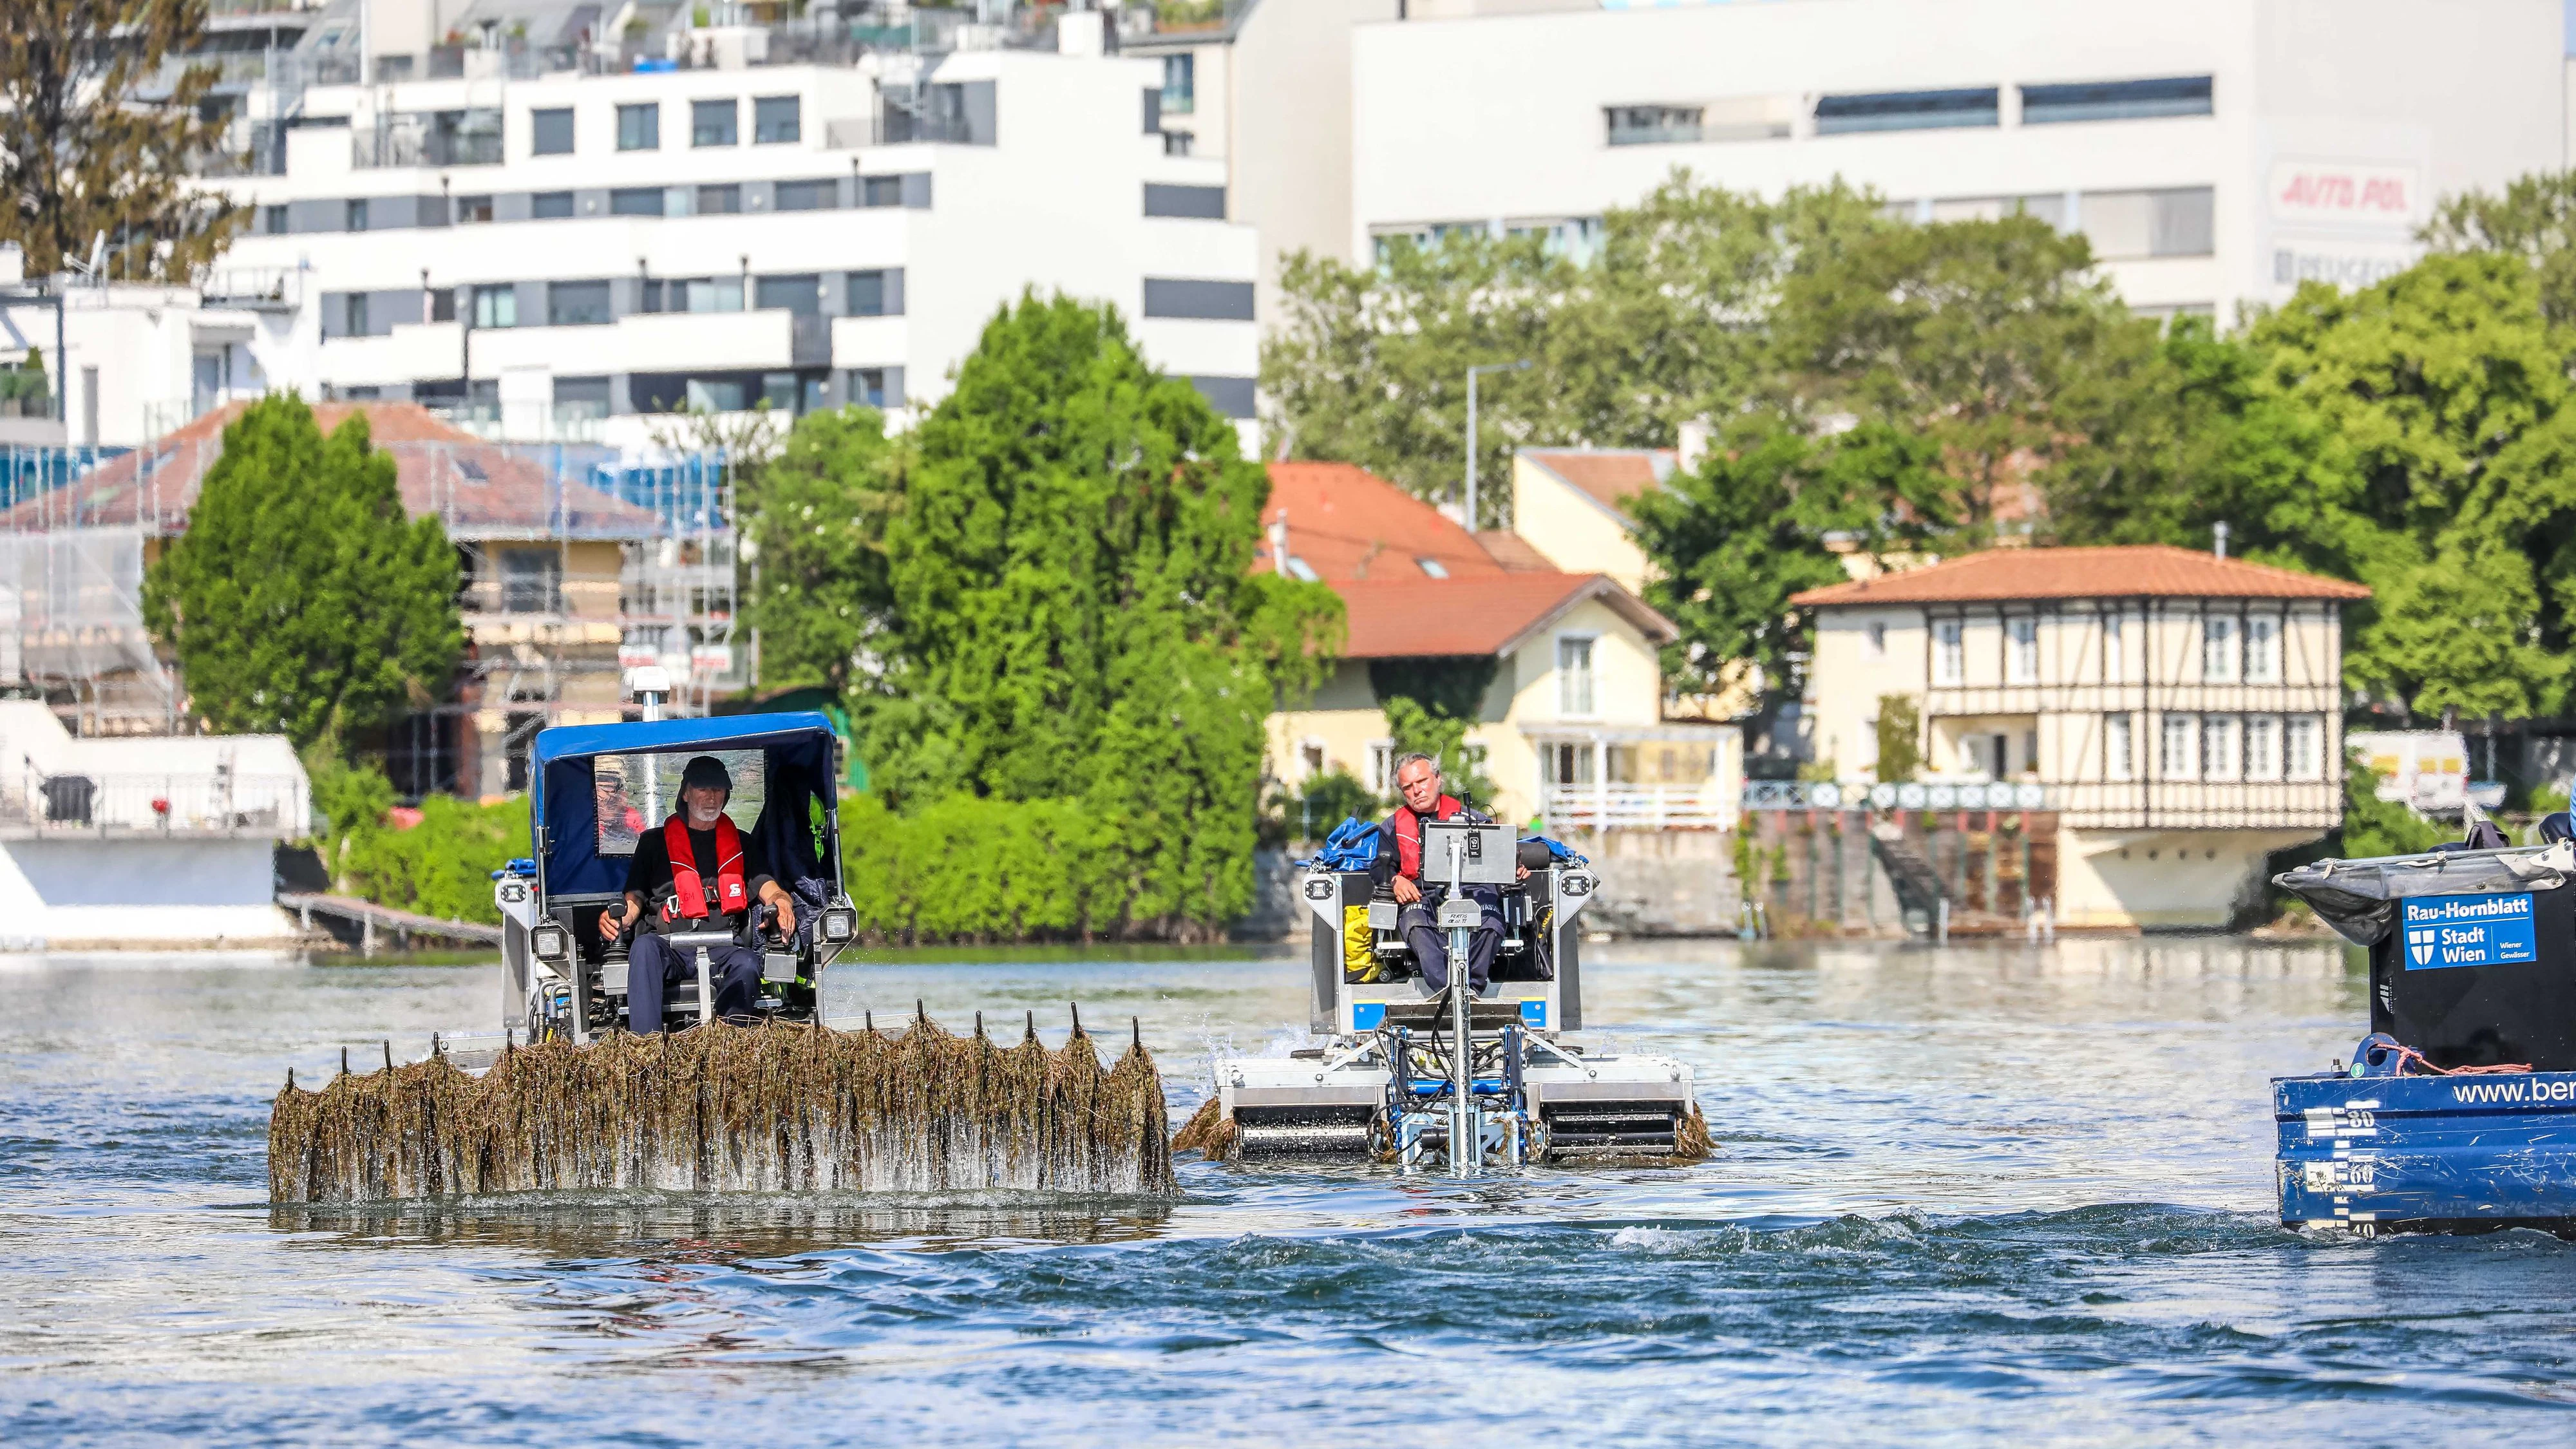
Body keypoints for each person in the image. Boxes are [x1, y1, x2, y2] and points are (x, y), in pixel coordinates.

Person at [597, 755, 799, 1032]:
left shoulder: (743, 843)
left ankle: (729, 1045)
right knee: (643, 948)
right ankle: (646, 1046)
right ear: (686, 793)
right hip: (668, 947)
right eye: (703, 789)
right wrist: (617, 919)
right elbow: (634, 899)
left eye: (718, 789)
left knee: (748, 963)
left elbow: (771, 889)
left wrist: (783, 902)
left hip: (724, 948)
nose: (711, 797)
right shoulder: (652, 843)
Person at [1372, 753, 1524, 996]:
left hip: (1473, 893)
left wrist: (1514, 869)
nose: (1417, 791)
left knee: (1491, 921)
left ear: (1438, 779)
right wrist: (1394, 879)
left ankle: (1471, 990)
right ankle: (1446, 993)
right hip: (1422, 897)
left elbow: (1503, 859)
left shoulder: (1476, 820)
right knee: (1416, 923)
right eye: (1408, 787)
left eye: (1422, 781)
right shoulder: (1391, 826)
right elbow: (1379, 867)